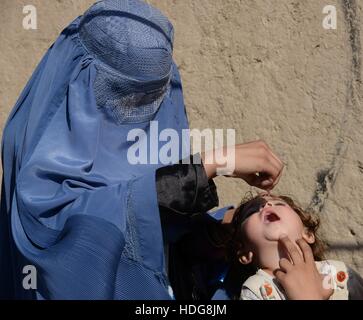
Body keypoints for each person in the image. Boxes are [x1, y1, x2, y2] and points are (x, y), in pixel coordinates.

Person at [0, 0, 284, 300]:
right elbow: (63, 233)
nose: (138, 111)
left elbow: (148, 229)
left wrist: (215, 233)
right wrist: (205, 168)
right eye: (124, 94)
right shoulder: (42, 145)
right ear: (83, 75)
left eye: (153, 97)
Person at [225, 193, 363, 300]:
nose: (266, 205)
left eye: (278, 203)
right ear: (244, 253)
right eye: (252, 212)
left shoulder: (340, 271)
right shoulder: (255, 289)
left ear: (307, 234)